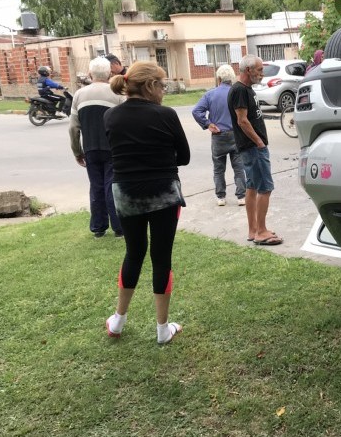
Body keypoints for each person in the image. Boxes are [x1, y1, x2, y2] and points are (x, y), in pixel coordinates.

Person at [103, 61, 190, 344]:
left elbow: (117, 153)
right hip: (164, 192)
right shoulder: (166, 115)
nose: (164, 91)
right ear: (151, 86)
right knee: (161, 257)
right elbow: (184, 156)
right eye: (163, 85)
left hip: (126, 192)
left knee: (134, 252)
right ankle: (163, 329)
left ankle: (117, 321)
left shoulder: (110, 117)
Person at [228, 55, 283, 245]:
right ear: (248, 70)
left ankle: (253, 230)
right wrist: (259, 142)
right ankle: (261, 231)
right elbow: (242, 120)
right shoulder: (240, 90)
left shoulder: (246, 89)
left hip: (251, 148)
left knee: (251, 187)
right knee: (265, 188)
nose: (262, 73)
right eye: (259, 69)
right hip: (253, 148)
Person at [69, 57, 126, 238]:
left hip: (91, 148)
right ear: (110, 73)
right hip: (113, 148)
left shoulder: (79, 94)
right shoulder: (117, 94)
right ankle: (119, 227)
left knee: (96, 186)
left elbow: (73, 127)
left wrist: (77, 152)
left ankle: (98, 228)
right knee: (112, 186)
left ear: (90, 74)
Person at [192, 64, 246, 207]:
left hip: (219, 135)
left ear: (219, 78)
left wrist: (207, 124)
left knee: (218, 168)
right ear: (232, 78)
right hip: (236, 134)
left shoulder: (210, 94)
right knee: (239, 167)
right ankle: (241, 196)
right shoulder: (237, 93)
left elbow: (196, 111)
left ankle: (221, 197)